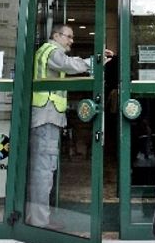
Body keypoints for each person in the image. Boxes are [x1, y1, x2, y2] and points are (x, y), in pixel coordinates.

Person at [25, 23, 113, 228]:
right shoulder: (50, 50)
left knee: (44, 170)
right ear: (56, 35)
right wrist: (95, 60)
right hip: (45, 117)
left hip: (48, 117)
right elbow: (68, 65)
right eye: (69, 36)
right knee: (43, 172)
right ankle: (38, 221)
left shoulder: (48, 51)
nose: (72, 41)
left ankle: (38, 218)